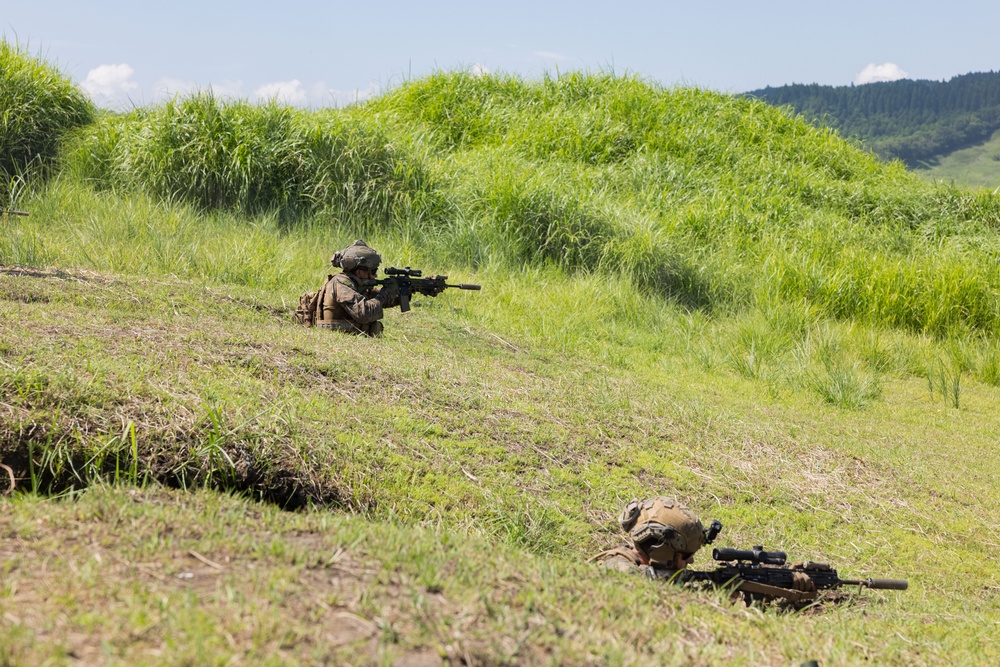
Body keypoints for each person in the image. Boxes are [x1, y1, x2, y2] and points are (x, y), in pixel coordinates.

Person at [592, 496, 816, 597]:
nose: (690, 562)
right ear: (661, 549)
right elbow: (647, 592)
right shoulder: (618, 567)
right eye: (686, 555)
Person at [313, 240, 400, 336]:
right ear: (359, 272)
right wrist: (383, 295)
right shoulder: (341, 283)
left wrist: (400, 293)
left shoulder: (356, 285)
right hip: (339, 340)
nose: (375, 276)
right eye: (373, 271)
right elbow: (363, 313)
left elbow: (375, 300)